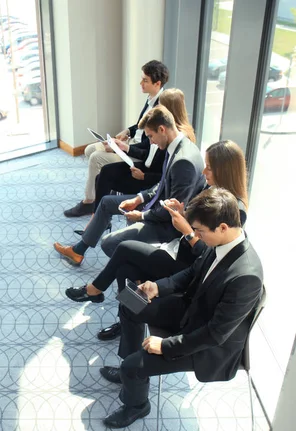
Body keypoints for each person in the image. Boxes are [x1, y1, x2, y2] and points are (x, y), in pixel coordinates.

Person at [98, 188, 263, 428]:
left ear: (223, 227)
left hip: (206, 345)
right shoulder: (223, 242)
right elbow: (191, 273)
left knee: (133, 368)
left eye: (199, 231)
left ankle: (137, 404)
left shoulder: (246, 276)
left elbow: (215, 334)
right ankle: (128, 365)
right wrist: (158, 287)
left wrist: (165, 345)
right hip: (191, 311)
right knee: (129, 301)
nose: (194, 235)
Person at [65, 140, 249, 341]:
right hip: (178, 251)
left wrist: (187, 231)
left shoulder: (235, 211)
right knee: (124, 270)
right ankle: (127, 321)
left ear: (225, 170)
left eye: (210, 168)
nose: (204, 172)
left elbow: (210, 257)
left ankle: (97, 291)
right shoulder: (211, 189)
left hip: (188, 265)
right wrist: (183, 212)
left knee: (125, 249)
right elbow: (200, 223)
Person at [53, 105, 205, 266]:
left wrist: (141, 216)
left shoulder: (183, 161)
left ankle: (135, 276)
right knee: (106, 202)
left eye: (151, 136)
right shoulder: (176, 147)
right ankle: (78, 251)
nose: (151, 142)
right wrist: (139, 199)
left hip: (166, 225)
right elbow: (163, 183)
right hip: (156, 204)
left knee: (109, 243)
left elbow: (172, 212)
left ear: (162, 129)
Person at [64, 60, 169, 217]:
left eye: (145, 80)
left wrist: (123, 148)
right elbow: (141, 126)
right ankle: (101, 190)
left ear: (157, 83)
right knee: (89, 149)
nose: (141, 83)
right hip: (131, 143)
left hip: (136, 152)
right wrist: (128, 131)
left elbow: (149, 148)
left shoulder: (161, 107)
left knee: (96, 158)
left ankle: (89, 201)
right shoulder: (151, 98)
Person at [87, 89, 197, 214]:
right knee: (104, 174)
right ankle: (97, 217)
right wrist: (125, 148)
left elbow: (166, 176)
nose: (157, 107)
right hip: (146, 168)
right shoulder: (161, 131)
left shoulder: (172, 137)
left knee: (104, 180)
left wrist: (144, 176)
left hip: (150, 179)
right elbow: (149, 154)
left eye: (160, 105)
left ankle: (97, 217)